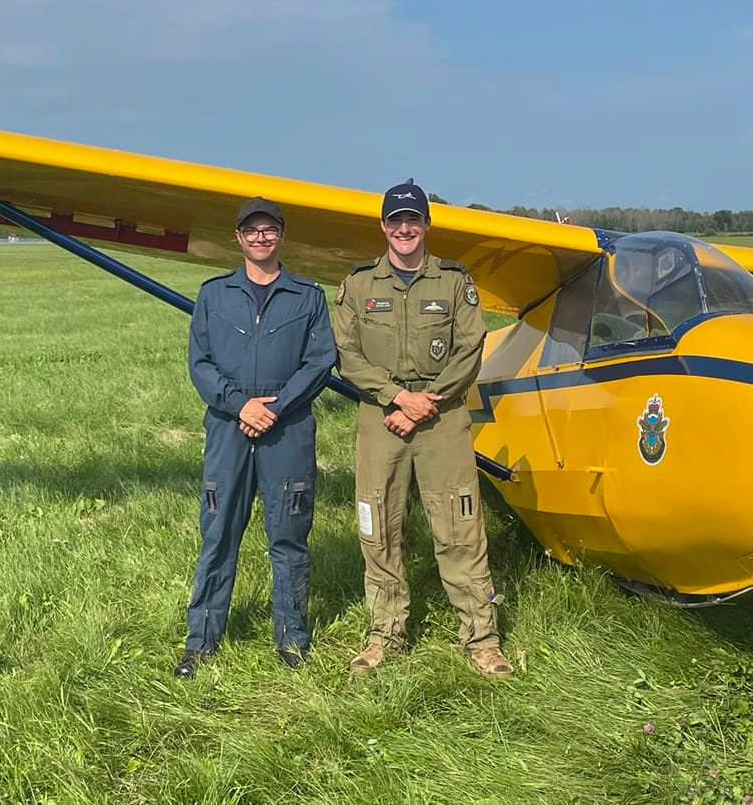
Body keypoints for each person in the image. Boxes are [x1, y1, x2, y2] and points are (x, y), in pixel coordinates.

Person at [334, 180, 513, 678]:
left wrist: (421, 403)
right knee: (379, 524)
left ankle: (481, 638)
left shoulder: (454, 282)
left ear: (427, 225)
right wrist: (396, 398)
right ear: (383, 227)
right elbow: (346, 353)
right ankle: (385, 634)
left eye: (414, 220)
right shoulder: (359, 284)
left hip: (443, 413)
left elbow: (469, 348)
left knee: (459, 523)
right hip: (381, 415)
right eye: (396, 220)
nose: (405, 228)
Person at [175, 196, 336, 677]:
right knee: (218, 535)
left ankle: (292, 641)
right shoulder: (214, 294)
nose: (260, 238)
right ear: (238, 237)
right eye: (251, 231)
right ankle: (200, 642)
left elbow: (320, 360)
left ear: (281, 236)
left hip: (286, 427)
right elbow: (200, 363)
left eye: (269, 230)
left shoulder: (307, 295)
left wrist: (275, 406)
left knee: (288, 538)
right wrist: (237, 404)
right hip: (228, 425)